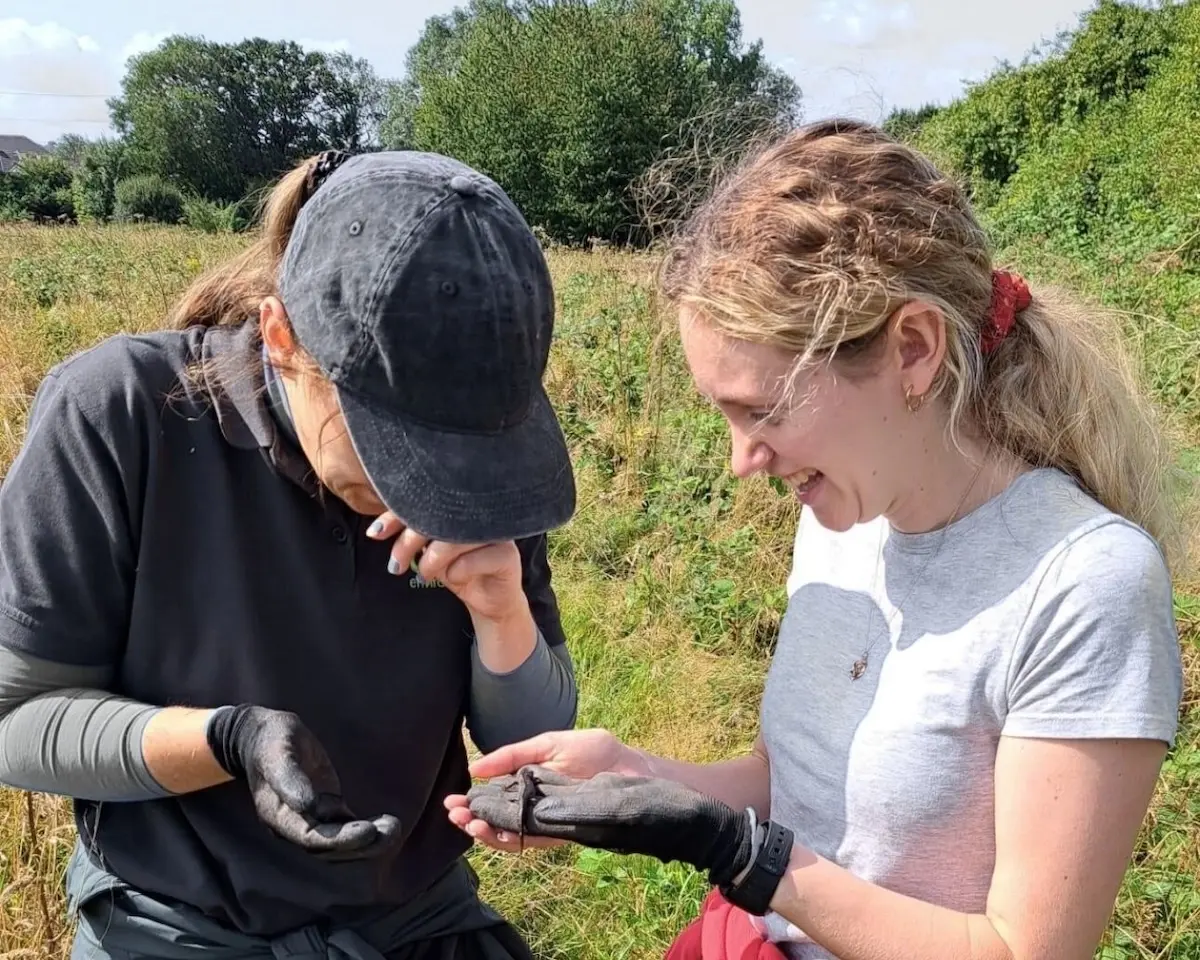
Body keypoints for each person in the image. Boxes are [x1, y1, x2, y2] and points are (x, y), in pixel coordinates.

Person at [448, 118, 1188, 960]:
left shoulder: (1084, 583)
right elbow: (788, 785)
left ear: (914, 349)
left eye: (762, 410)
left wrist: (741, 855)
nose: (741, 461)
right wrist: (639, 778)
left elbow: (1025, 951)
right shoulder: (843, 523)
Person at [0, 148, 579, 959]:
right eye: (392, 443)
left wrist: (500, 610)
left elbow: (535, 738)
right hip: (178, 930)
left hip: (413, 919)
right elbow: (17, 721)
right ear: (280, 338)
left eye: (458, 452)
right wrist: (225, 741)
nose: (430, 486)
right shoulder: (121, 413)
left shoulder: (481, 462)